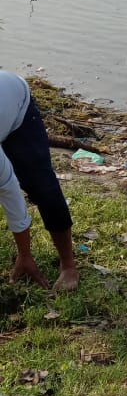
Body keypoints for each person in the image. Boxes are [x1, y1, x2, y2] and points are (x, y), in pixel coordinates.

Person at [0, 71, 79, 291]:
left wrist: (24, 254)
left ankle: (68, 265)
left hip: (18, 106)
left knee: (42, 187)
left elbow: (9, 190)